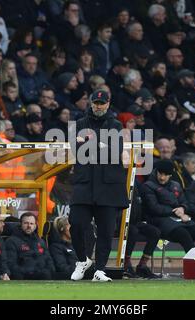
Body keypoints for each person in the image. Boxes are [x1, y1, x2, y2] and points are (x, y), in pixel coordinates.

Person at [69, 89, 128, 282]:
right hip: (85, 184)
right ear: (91, 103)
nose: (98, 106)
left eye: (102, 103)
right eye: (95, 102)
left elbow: (114, 151)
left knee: (105, 230)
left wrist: (89, 142)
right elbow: (78, 150)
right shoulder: (79, 124)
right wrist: (101, 145)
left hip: (109, 186)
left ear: (108, 104)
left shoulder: (117, 125)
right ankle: (82, 260)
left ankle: (100, 269)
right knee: (76, 223)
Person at [142, 160, 195, 257]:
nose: (162, 177)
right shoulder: (148, 186)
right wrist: (176, 212)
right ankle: (194, 263)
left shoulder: (175, 185)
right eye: (160, 174)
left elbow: (185, 202)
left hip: (179, 219)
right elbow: (153, 207)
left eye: (166, 175)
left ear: (171, 175)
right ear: (156, 172)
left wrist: (182, 208)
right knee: (184, 234)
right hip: (159, 220)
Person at [6, 212, 55, 280]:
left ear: (35, 226)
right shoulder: (11, 241)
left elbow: (49, 261)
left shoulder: (40, 241)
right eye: (26, 223)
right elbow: (11, 265)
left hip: (43, 277)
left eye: (31, 223)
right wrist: (27, 273)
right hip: (24, 279)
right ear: (20, 225)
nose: (29, 226)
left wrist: (49, 272)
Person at [48, 216, 83, 280]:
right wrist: (81, 269)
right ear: (62, 228)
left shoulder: (75, 245)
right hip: (69, 277)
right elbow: (63, 268)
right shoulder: (55, 247)